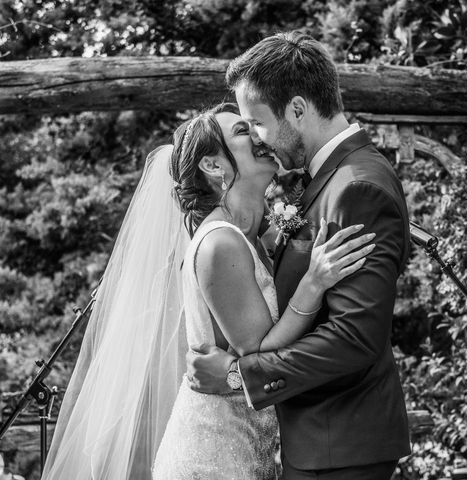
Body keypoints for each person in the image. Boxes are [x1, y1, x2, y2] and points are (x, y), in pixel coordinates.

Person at [41, 103, 372, 480]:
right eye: (242, 132)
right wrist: (312, 285)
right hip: (214, 457)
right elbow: (258, 352)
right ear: (214, 166)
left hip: (248, 445)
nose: (260, 135)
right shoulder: (220, 244)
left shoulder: (250, 235)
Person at [186, 31, 412, 479]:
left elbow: (354, 337)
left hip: (339, 443)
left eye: (258, 124)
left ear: (297, 109)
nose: (259, 140)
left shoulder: (356, 188)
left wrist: (239, 376)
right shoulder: (328, 179)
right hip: (317, 437)